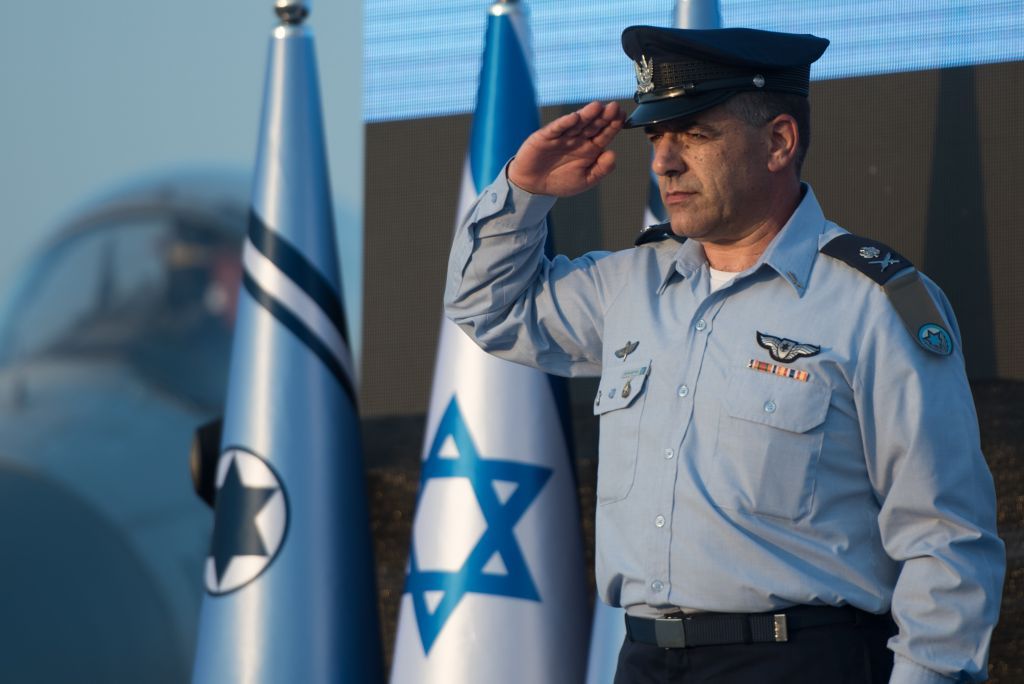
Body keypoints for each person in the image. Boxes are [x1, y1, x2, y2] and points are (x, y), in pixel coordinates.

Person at [444, 25, 1004, 684]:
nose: (664, 162)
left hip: (801, 660)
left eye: (695, 134)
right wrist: (525, 188)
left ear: (778, 141)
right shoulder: (631, 284)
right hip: (645, 659)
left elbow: (947, 537)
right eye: (656, 137)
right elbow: (489, 307)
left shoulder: (877, 303)